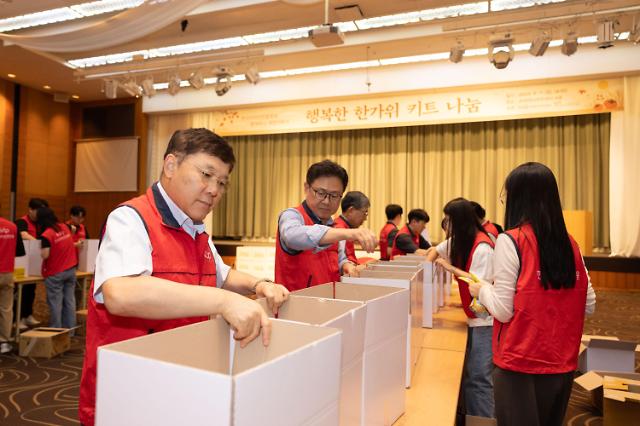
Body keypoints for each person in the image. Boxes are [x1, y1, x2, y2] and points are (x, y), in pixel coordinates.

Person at [79, 128, 290, 426]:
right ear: (170, 165)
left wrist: (259, 284)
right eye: (206, 174)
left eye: (222, 182)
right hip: (131, 393)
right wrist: (223, 301)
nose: (214, 190)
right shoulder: (130, 218)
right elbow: (121, 293)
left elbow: (222, 274)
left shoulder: (195, 229)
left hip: (182, 380)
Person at [468, 162, 596, 426]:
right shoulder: (571, 242)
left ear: (517, 198)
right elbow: (589, 303)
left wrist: (481, 290)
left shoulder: (512, 240)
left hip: (519, 363)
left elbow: (504, 310)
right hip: (562, 361)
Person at [426, 198, 495, 421]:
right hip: (476, 318)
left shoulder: (482, 246)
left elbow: (479, 286)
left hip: (487, 320)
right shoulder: (463, 240)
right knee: (472, 376)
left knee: (479, 380)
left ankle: (482, 420)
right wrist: (426, 273)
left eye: (450, 220)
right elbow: (435, 250)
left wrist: (450, 268)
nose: (447, 225)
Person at [275, 160, 377, 290]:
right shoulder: (292, 215)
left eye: (334, 195)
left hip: (328, 301)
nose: (326, 201)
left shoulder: (332, 226)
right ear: (306, 188)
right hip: (297, 304)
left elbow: (340, 259)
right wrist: (350, 232)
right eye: (321, 193)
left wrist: (347, 266)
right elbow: (292, 236)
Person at [36, 207, 78, 329]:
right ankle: (70, 330)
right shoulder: (64, 227)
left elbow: (45, 255)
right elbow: (73, 229)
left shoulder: (46, 235)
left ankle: (56, 331)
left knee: (55, 303)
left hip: (55, 273)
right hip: (70, 270)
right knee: (69, 302)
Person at [14, 197, 48, 329]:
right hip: (22, 262)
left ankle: (28, 315)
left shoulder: (40, 223)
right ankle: (18, 319)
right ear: (30, 210)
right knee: (20, 292)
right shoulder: (22, 221)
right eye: (38, 211)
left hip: (34, 262)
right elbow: (23, 234)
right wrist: (37, 243)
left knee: (31, 290)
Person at [0, 212, 25, 354]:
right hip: (7, 272)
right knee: (5, 308)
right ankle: (4, 341)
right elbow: (20, 251)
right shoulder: (12, 226)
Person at [333, 191, 371, 266]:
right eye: (365, 213)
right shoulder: (339, 231)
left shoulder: (346, 228)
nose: (365, 218)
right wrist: (365, 266)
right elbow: (341, 267)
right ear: (351, 210)